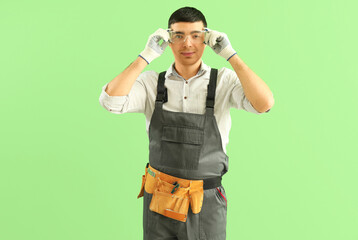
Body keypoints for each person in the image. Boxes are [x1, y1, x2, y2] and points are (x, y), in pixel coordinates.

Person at [99, 6, 274, 240]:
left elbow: (264, 104)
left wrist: (231, 54)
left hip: (206, 203)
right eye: (178, 36)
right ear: (168, 41)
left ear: (207, 40)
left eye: (195, 35)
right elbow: (111, 102)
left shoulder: (223, 81)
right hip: (159, 202)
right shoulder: (152, 84)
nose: (187, 43)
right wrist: (146, 56)